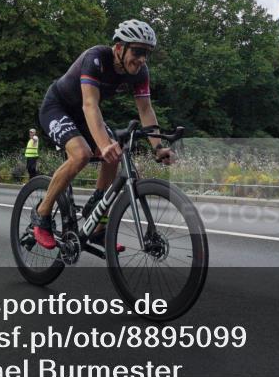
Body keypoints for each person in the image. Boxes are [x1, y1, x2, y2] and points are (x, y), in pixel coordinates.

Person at [32, 19, 175, 250]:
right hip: (58, 107)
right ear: (119, 48)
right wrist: (103, 144)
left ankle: (98, 220)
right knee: (81, 154)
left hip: (85, 114)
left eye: (146, 54)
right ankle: (42, 214)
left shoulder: (140, 72)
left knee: (115, 154)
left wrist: (157, 147)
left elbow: (146, 109)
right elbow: (90, 104)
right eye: (137, 52)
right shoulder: (96, 58)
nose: (142, 59)